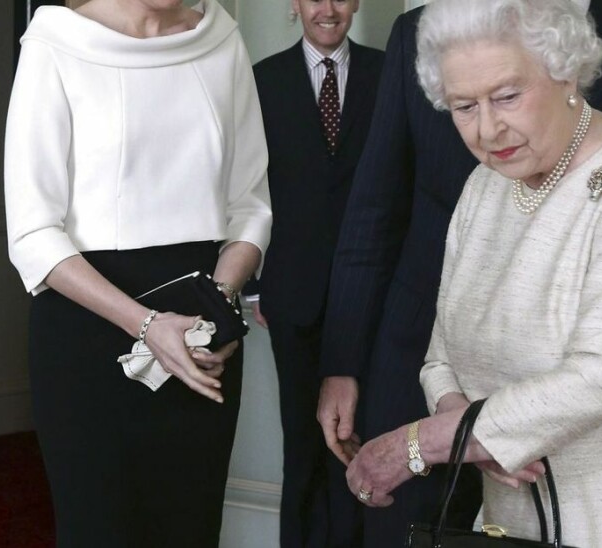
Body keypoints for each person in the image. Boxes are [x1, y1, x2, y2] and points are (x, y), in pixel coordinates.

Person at [341, 0, 602, 545]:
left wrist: (425, 442)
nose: (487, 128)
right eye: (463, 106)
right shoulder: (487, 186)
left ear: (566, 70)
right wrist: (467, 430)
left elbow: (600, 374)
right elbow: (443, 352)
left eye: (507, 96)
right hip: (518, 507)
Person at [3, 0, 271, 545]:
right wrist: (149, 326)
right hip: (86, 341)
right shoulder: (55, 42)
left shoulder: (222, 40)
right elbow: (33, 233)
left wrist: (212, 310)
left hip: (199, 342)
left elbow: (251, 206)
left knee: (190, 530)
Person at [243, 0, 383, 546]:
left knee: (362, 447)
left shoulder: (385, 73)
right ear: (294, 6)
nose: (328, 9)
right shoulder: (262, 80)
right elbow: (247, 189)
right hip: (292, 297)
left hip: (369, 300)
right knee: (302, 449)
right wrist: (255, 285)